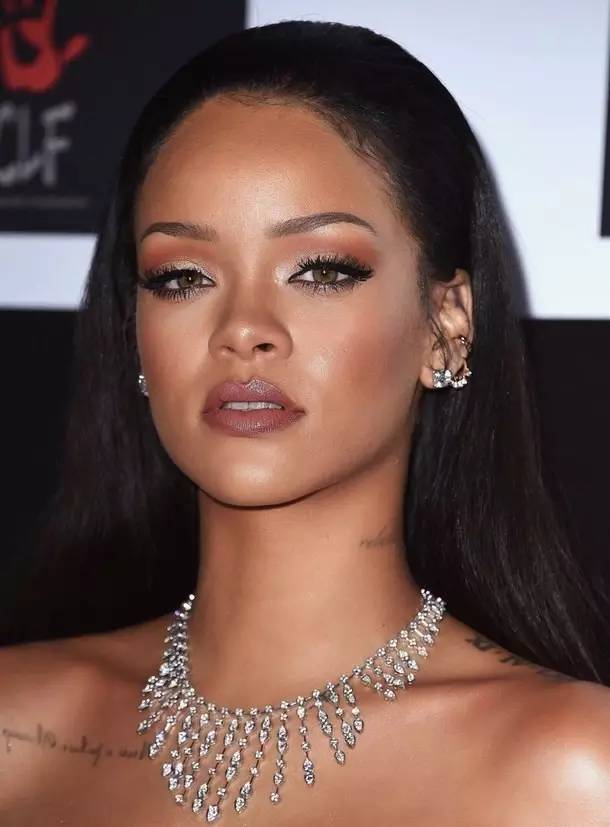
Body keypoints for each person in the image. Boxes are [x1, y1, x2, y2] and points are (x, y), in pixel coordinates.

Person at [1, 19, 609, 825]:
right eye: (182, 276)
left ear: (446, 324)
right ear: (135, 329)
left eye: (321, 270)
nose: (243, 329)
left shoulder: (571, 769)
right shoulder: (17, 725)